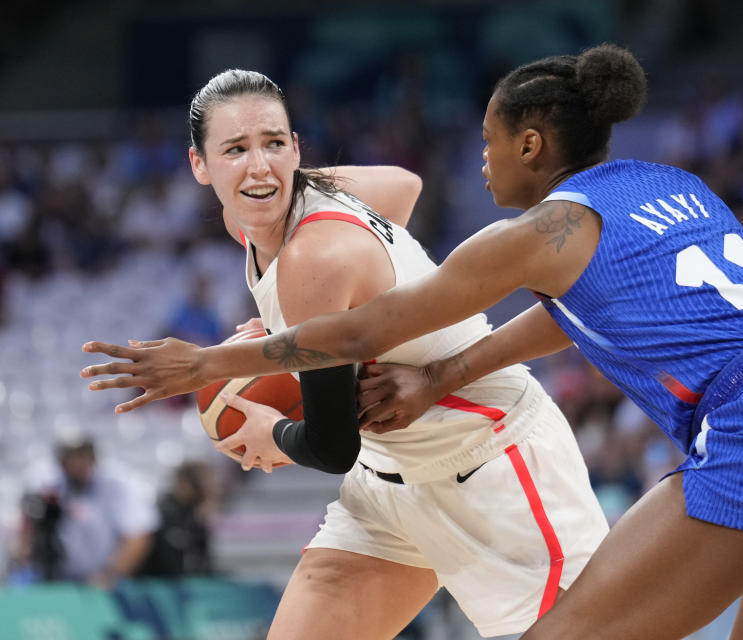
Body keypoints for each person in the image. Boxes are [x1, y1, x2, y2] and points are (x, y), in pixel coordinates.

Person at [82, 45, 743, 639]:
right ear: (204, 164)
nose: (480, 164)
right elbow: (581, 313)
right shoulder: (668, 185)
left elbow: (359, 332)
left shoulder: (531, 234)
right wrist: (441, 373)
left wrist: (206, 362)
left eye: (489, 144)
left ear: (530, 143)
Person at [85, 69, 609, 639]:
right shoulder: (287, 209)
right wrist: (342, 311)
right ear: (200, 165)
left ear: (295, 148)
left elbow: (332, 446)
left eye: (274, 144)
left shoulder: (314, 256)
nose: (260, 166)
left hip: (491, 463)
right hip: (390, 479)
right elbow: (404, 185)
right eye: (236, 149)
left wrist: (273, 432)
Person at [12, 436, 157, 589]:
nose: (77, 463)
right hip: (56, 576)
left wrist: (110, 573)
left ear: (93, 458)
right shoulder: (48, 484)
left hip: (105, 580)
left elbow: (139, 536)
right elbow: (29, 527)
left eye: (82, 456)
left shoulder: (116, 484)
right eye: (70, 457)